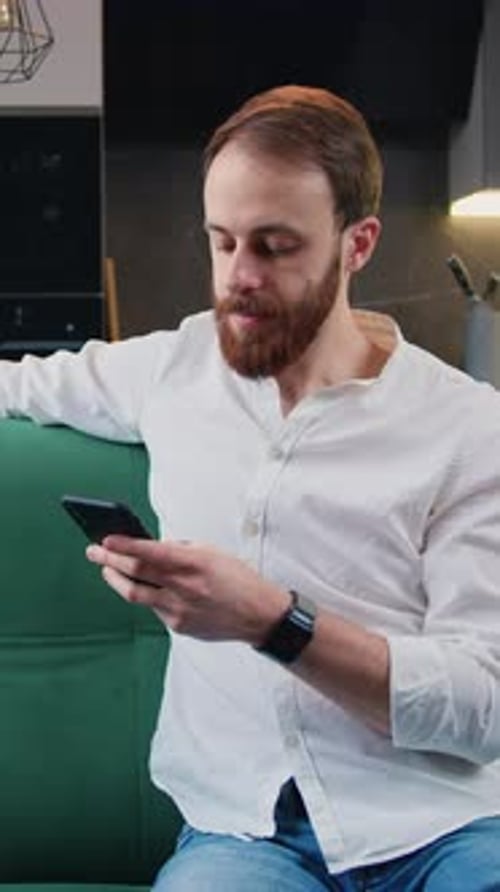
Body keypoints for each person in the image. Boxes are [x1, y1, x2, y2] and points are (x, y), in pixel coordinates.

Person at [2, 85, 500, 891]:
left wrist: (276, 622)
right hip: (245, 833)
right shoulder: (172, 368)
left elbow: (485, 705)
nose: (238, 278)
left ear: (357, 244)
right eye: (222, 241)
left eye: (274, 247)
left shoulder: (468, 427)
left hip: (439, 825)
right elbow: (19, 385)